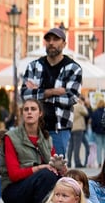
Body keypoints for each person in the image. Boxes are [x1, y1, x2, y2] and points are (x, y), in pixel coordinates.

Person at [20, 28, 82, 157]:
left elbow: (72, 98)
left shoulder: (73, 68)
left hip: (59, 128)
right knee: (31, 166)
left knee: (57, 169)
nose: (51, 43)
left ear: (64, 44)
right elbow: (25, 95)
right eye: (48, 40)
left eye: (55, 39)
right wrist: (53, 92)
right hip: (32, 128)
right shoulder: (34, 66)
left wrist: (38, 93)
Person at [0, 99, 64, 203]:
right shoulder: (11, 137)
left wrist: (61, 169)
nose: (29, 112)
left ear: (40, 113)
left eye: (33, 109)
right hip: (14, 191)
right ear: (22, 113)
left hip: (38, 188)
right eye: (26, 109)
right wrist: (39, 168)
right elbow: (14, 175)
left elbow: (55, 167)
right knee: (46, 174)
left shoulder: (46, 138)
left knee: (69, 180)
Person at [68, 99, 90, 168]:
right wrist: (82, 105)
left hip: (71, 128)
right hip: (79, 128)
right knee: (77, 146)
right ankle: (77, 163)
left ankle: (69, 162)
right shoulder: (78, 106)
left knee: (71, 146)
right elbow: (86, 113)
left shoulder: (70, 106)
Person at [91, 99, 105, 167]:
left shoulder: (95, 112)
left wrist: (94, 130)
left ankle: (99, 162)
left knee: (99, 148)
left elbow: (93, 123)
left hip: (98, 132)